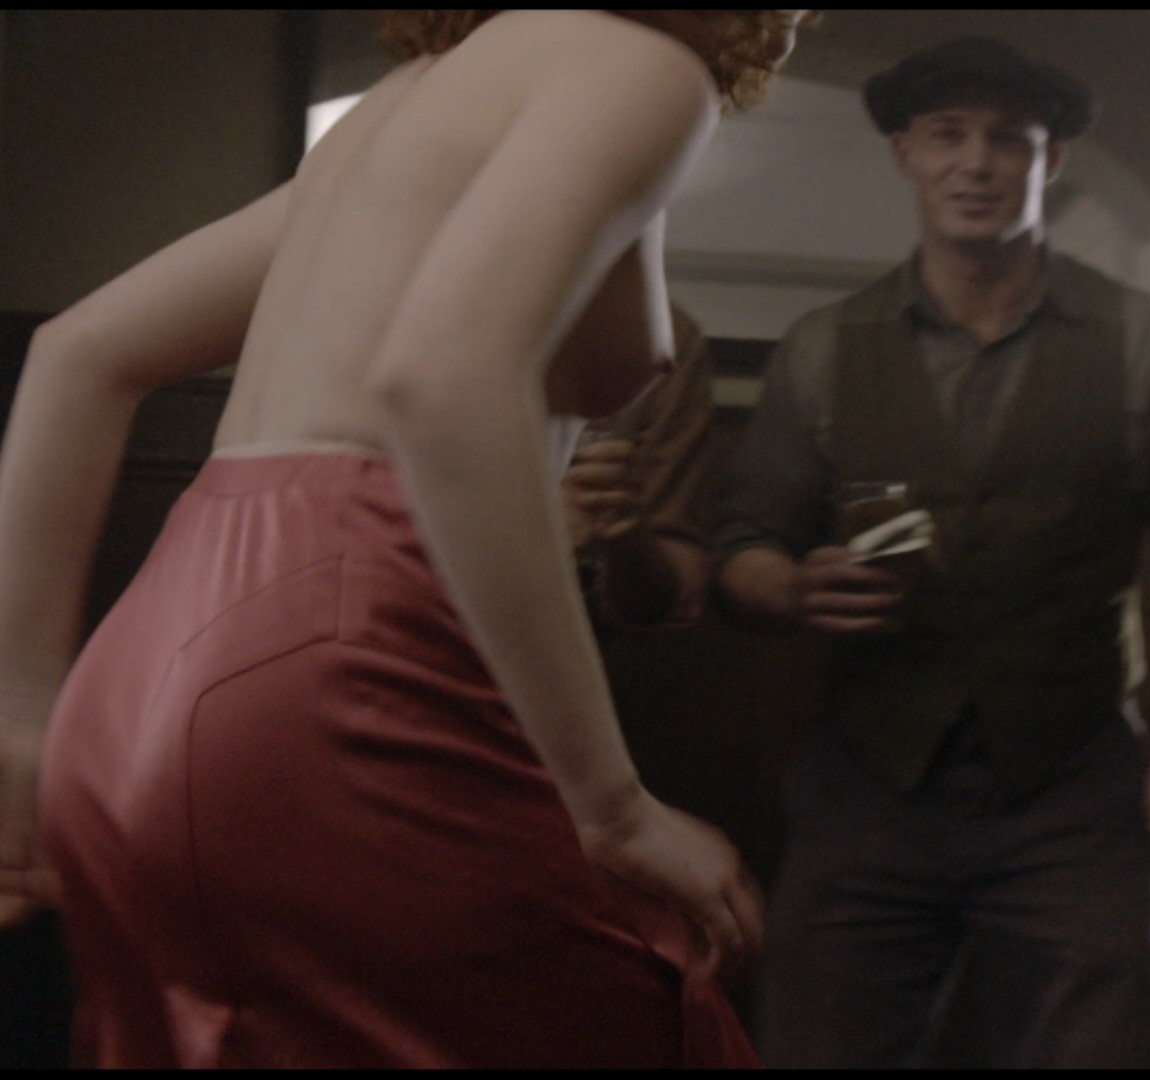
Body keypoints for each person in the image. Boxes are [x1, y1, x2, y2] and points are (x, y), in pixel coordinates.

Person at [0, 9, 807, 1067]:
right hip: (349, 640)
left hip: (146, 670)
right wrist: (611, 808)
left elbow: (78, 353)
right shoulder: (642, 70)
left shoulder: (408, 103)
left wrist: (24, 721)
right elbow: (442, 380)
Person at [712, 36, 1150, 1070]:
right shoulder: (824, 348)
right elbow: (742, 549)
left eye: (1008, 139)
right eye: (947, 135)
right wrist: (792, 586)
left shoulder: (1144, 339)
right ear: (905, 154)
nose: (975, 163)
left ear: (1049, 161)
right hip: (869, 782)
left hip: (1074, 785)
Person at [564, 303, 716, 634]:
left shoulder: (661, 334)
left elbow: (668, 601)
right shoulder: (452, 320)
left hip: (577, 631)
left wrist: (627, 537)